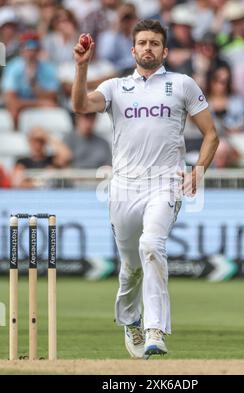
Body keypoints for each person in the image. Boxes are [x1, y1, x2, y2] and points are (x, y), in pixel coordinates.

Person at [72, 19, 219, 358]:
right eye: (143, 43)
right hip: (123, 186)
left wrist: (198, 170)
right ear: (133, 49)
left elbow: (212, 134)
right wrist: (82, 68)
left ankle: (155, 330)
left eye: (155, 43)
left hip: (165, 182)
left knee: (152, 245)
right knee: (130, 268)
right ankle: (131, 320)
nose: (148, 48)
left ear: (164, 50)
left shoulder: (182, 84)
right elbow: (81, 106)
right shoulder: (115, 87)